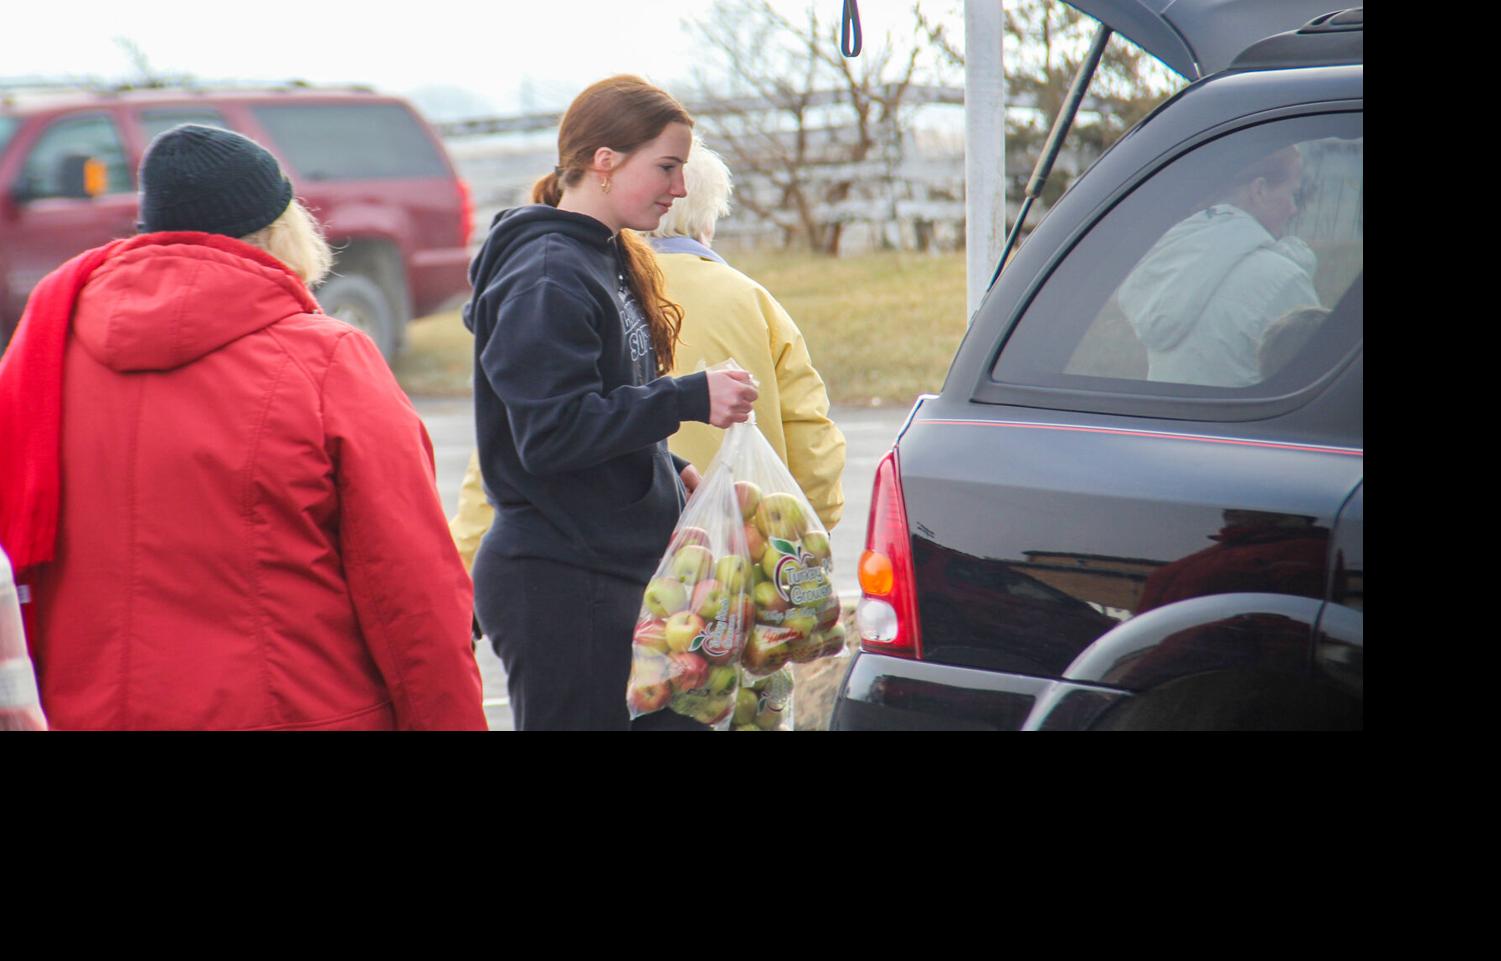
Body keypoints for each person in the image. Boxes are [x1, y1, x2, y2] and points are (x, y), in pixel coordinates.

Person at [0, 124, 486, 731]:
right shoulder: (326, 361)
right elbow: (411, 594)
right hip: (296, 710)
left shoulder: (44, 353)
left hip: (89, 711)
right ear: (283, 227)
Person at [462, 76, 759, 731]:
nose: (678, 188)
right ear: (604, 161)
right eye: (666, 166)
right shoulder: (546, 275)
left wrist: (667, 464)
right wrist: (686, 398)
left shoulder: (601, 256)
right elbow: (550, 433)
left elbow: (597, 401)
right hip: (560, 580)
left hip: (611, 570)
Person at [647, 138, 845, 530]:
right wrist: (809, 525)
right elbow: (807, 430)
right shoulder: (751, 300)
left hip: (629, 544)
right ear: (709, 217)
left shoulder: (601, 291)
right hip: (749, 539)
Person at [1117, 145, 1322, 388]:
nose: (1293, 209)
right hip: (1244, 425)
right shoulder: (1281, 278)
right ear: (1259, 190)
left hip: (1166, 421)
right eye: (1292, 194)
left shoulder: (1170, 257)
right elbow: (1315, 388)